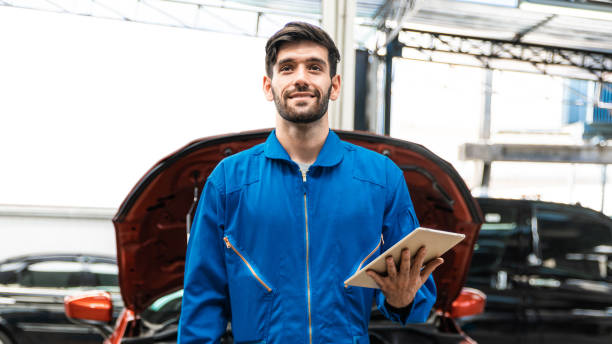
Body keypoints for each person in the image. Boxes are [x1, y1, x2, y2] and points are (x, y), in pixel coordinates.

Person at [178, 21, 443, 344]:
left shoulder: (382, 178)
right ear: (268, 86)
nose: (301, 77)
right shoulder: (228, 181)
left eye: (314, 67)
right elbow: (201, 302)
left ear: (335, 86)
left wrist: (402, 300)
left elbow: (417, 295)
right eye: (287, 68)